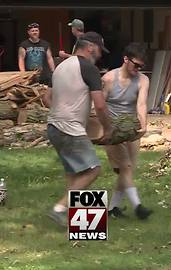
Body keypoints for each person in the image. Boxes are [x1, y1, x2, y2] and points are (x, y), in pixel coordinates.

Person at [44, 32, 112, 226]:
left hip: (54, 127)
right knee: (93, 170)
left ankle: (77, 220)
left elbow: (46, 98)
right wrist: (107, 129)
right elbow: (100, 105)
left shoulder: (59, 67)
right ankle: (59, 209)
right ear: (90, 47)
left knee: (74, 173)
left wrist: (62, 110)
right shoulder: (88, 68)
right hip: (70, 129)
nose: (99, 54)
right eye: (99, 50)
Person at [102, 42, 152, 220]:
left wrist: (143, 125)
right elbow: (99, 106)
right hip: (112, 130)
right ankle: (138, 206)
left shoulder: (143, 80)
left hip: (131, 130)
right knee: (125, 167)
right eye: (136, 65)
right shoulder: (108, 79)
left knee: (127, 171)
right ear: (125, 59)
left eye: (141, 67)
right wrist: (104, 129)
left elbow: (141, 103)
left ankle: (112, 209)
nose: (138, 69)